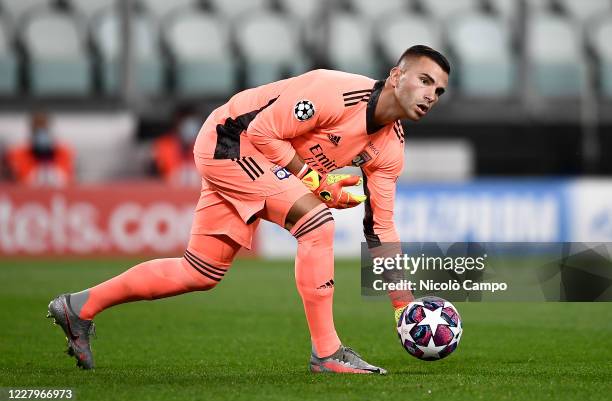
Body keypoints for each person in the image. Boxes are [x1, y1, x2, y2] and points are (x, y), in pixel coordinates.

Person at [47, 45, 450, 373]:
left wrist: (403, 305)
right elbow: (261, 131)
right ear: (396, 76)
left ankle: (78, 307)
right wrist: (314, 180)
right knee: (316, 223)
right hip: (231, 139)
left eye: (439, 90)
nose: (431, 94)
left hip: (258, 161)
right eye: (425, 80)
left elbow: (381, 228)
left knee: (198, 273)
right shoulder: (333, 90)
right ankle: (327, 353)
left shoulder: (390, 149)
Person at [5, 112, 74, 186]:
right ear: (31, 129)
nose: (41, 131)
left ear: (49, 128)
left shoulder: (64, 152)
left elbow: (70, 181)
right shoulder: (17, 153)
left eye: (44, 127)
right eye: (37, 127)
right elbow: (13, 183)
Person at [152, 106, 202, 186]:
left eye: (192, 120)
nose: (189, 126)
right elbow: (156, 177)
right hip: (169, 194)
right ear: (177, 123)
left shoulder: (206, 147)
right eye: (185, 121)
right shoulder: (163, 145)